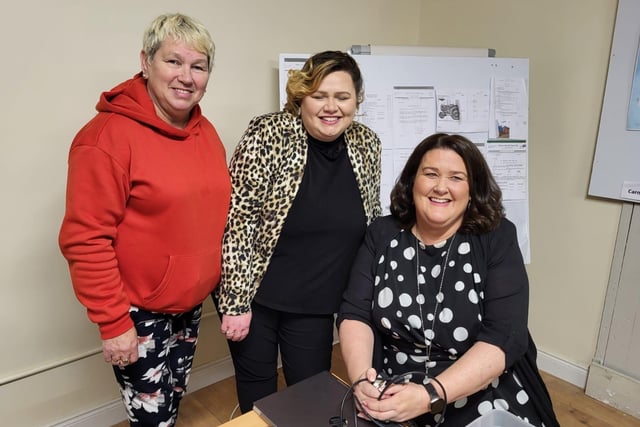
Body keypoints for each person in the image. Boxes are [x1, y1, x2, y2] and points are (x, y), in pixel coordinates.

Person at [58, 13, 231, 426]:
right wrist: (113, 322)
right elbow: (86, 240)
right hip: (137, 312)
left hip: (188, 305)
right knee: (153, 419)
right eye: (174, 61)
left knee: (170, 405)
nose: (186, 76)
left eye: (198, 66)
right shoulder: (105, 139)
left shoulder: (205, 130)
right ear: (146, 61)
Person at [338, 133, 559, 426]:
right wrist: (362, 381)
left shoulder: (496, 238)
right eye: (430, 174)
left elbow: (505, 336)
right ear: (412, 181)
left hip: (476, 388)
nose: (441, 187)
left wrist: (430, 395)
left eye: (456, 178)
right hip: (395, 390)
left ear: (472, 190)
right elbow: (355, 313)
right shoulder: (383, 233)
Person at [214, 50, 382, 413]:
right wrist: (235, 303)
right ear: (301, 95)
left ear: (357, 100)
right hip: (257, 297)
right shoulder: (269, 134)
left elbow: (372, 216)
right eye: (319, 95)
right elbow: (239, 220)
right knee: (258, 397)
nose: (331, 107)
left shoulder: (367, 144)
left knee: (309, 396)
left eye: (342, 97)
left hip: (318, 301)